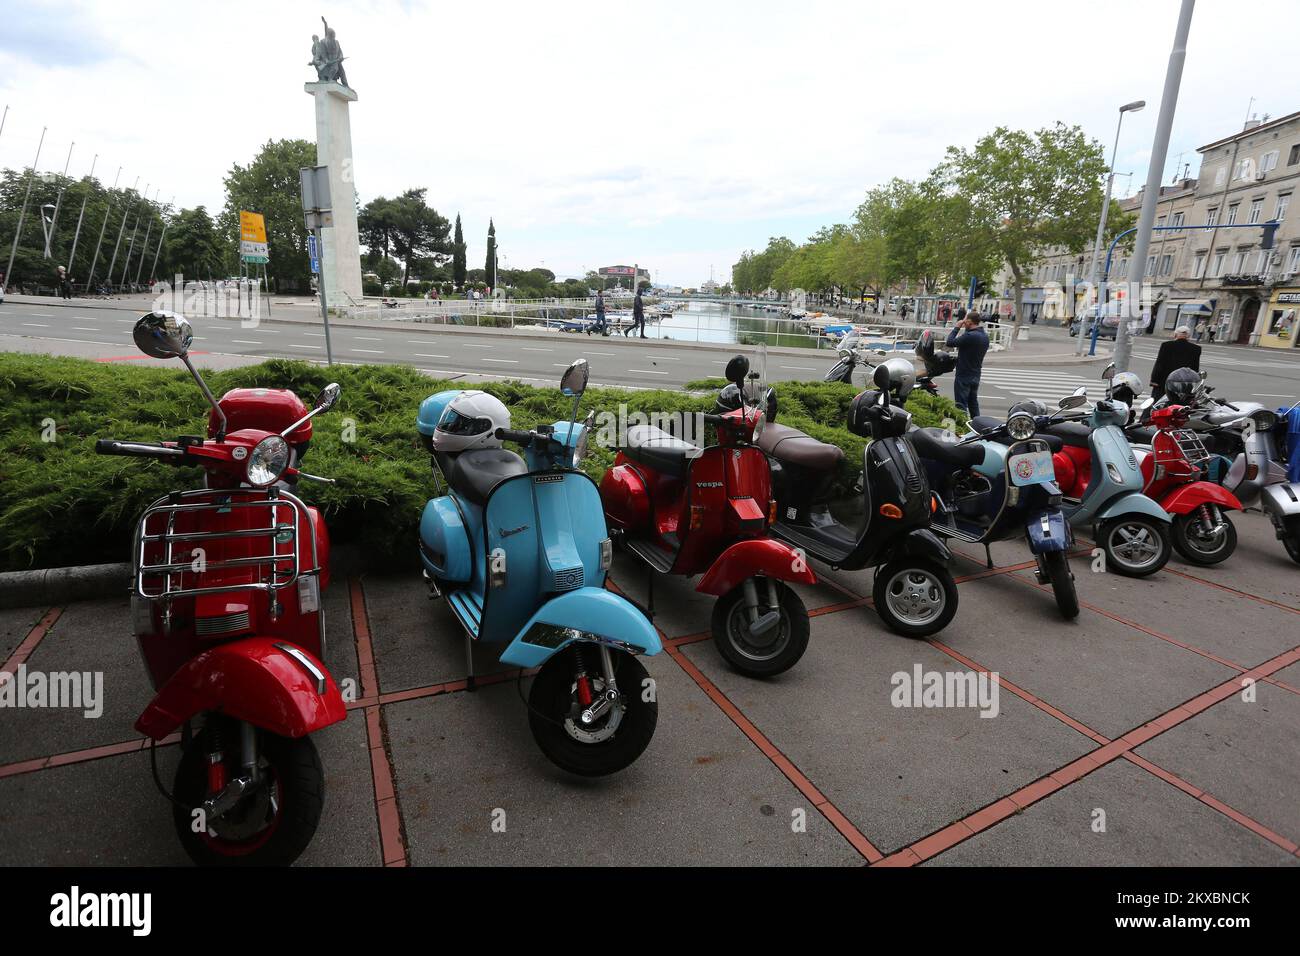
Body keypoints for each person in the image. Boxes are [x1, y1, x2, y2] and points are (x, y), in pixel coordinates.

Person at [945, 312, 990, 418]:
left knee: (961, 405)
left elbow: (950, 342)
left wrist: (957, 327)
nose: (964, 323)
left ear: (969, 322)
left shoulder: (970, 336)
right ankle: (977, 425)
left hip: (964, 374)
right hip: (976, 373)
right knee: (973, 403)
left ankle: (963, 426)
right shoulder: (984, 336)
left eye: (965, 321)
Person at [1149, 325, 1201, 400]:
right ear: (1188, 336)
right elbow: (1195, 368)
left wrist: (1154, 380)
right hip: (1184, 383)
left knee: (1157, 401)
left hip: (1165, 380)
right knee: (1181, 404)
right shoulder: (1196, 349)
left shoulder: (1166, 345)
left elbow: (1160, 363)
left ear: (1175, 334)